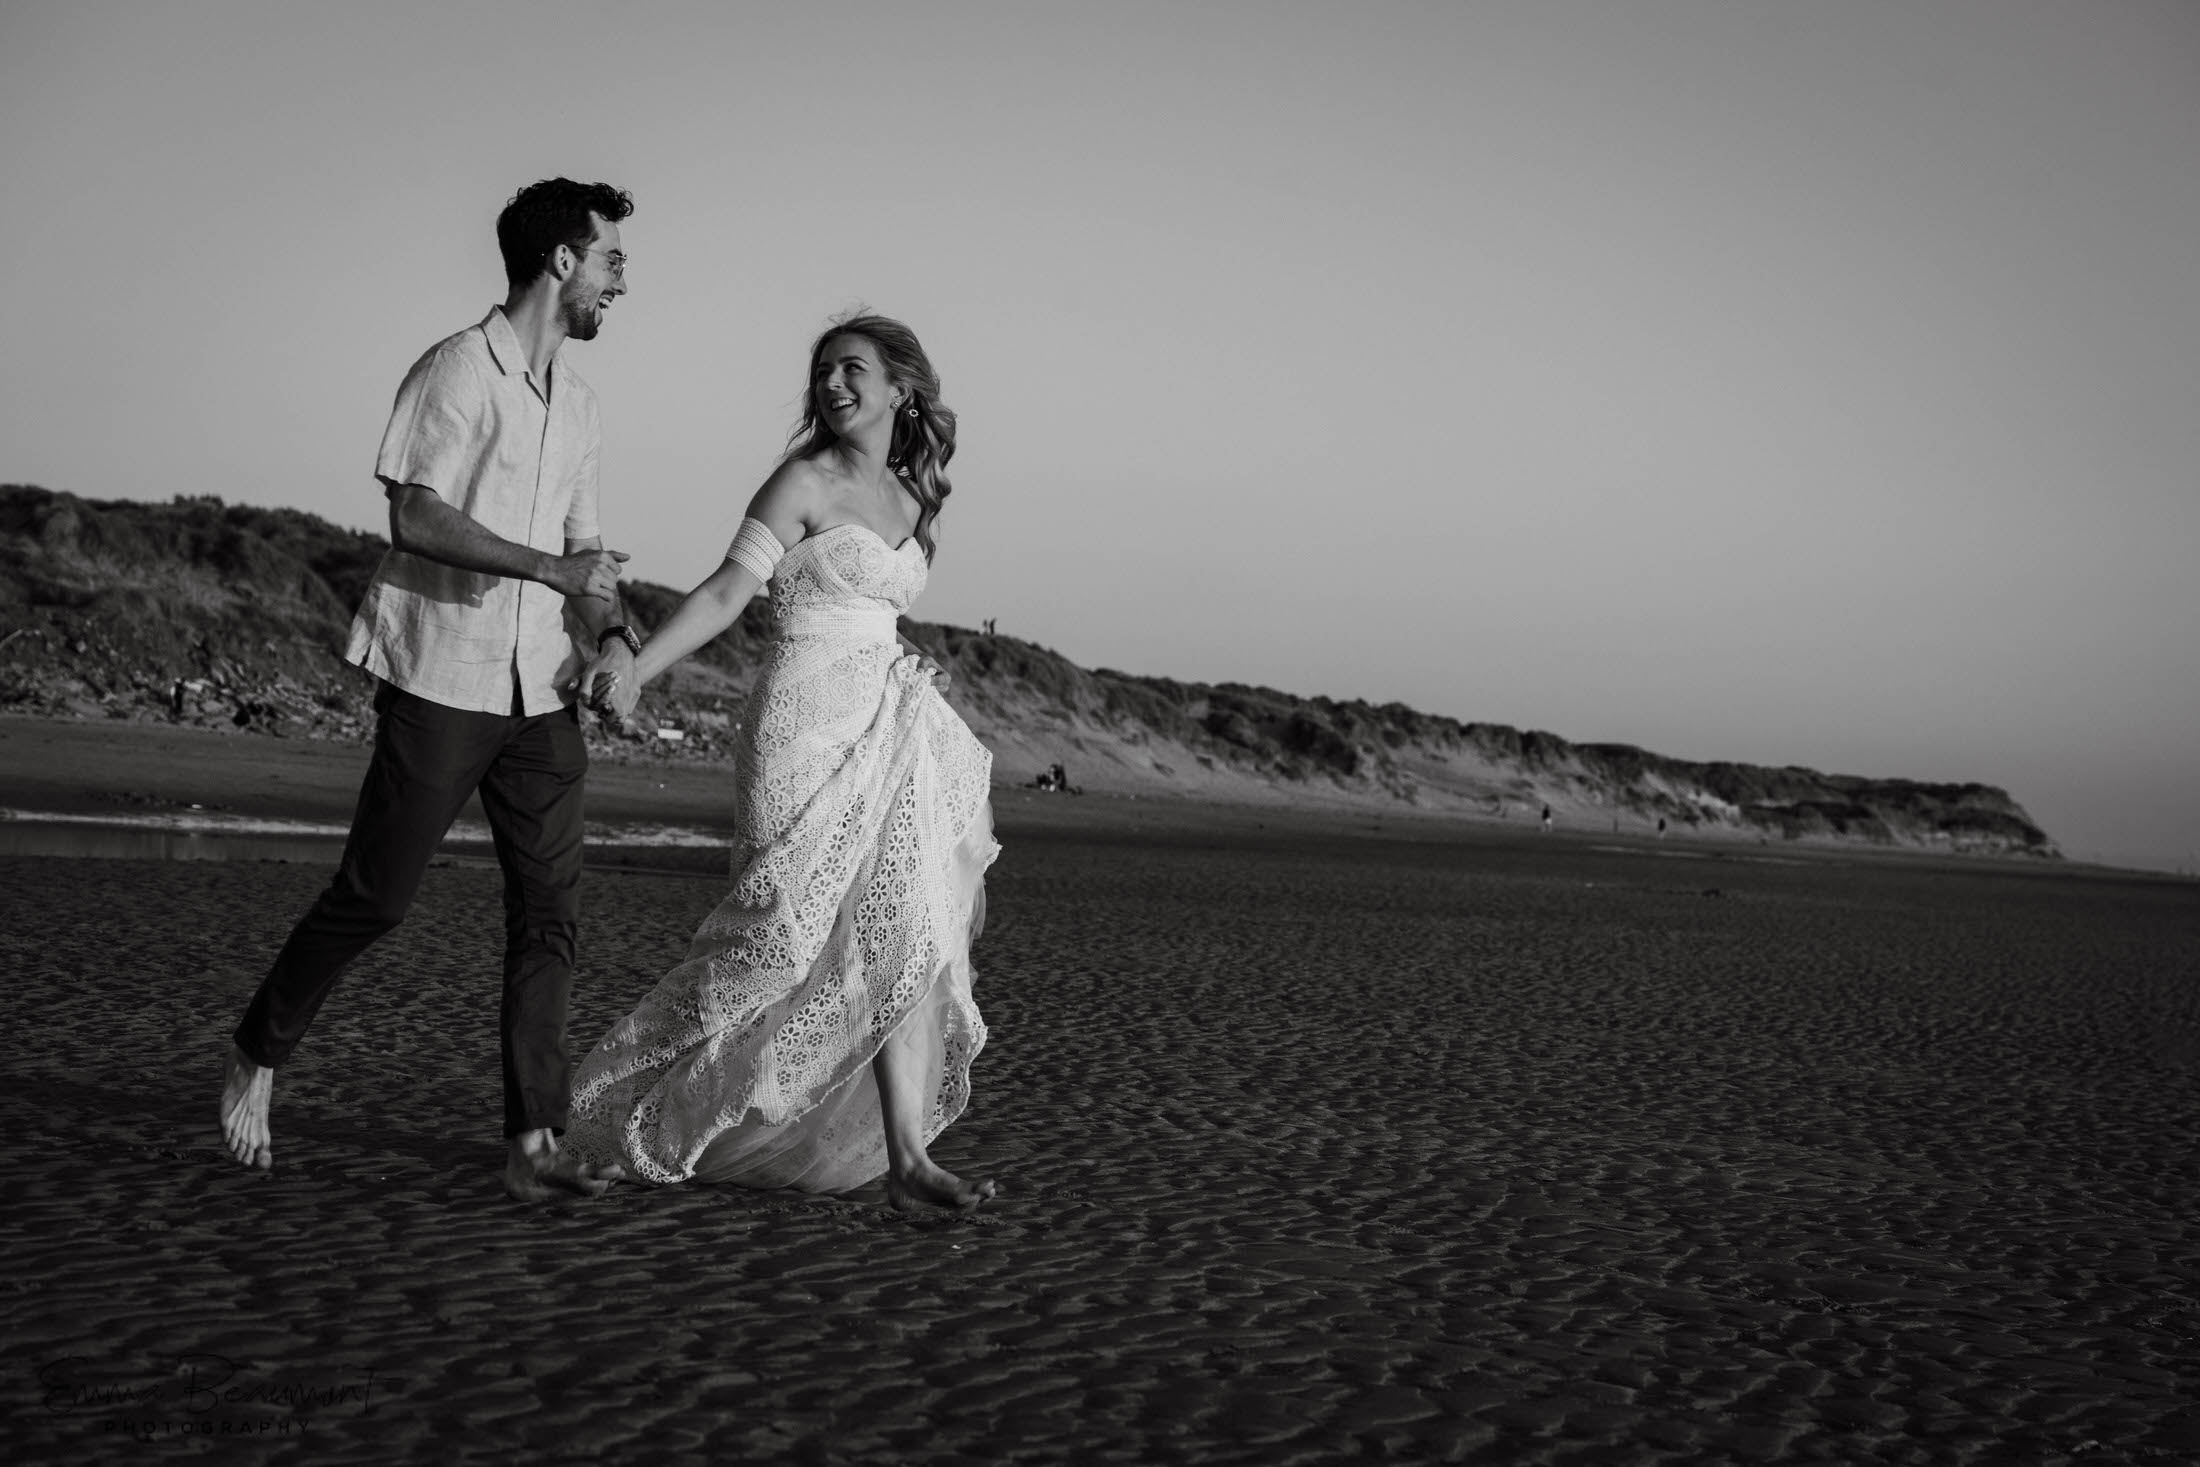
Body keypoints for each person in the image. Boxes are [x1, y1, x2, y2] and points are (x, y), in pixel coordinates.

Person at [218, 179, 639, 1201]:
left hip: (541, 695)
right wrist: (549, 570)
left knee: (549, 912)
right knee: (376, 896)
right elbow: (414, 514)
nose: (622, 282)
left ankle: (531, 1143)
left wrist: (615, 636)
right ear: (562, 260)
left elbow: (588, 558)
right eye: (612, 259)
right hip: (442, 673)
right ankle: (258, 1048)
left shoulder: (582, 406)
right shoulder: (455, 369)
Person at [565, 314, 999, 1211]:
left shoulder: (914, 498)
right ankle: (624, 1116)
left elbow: (873, 609)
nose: (833, 384)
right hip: (798, 729)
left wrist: (905, 658)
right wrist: (638, 667)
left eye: (852, 369)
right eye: (824, 370)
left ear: (901, 388)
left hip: (885, 727)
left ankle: (909, 1160)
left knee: (905, 935)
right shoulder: (802, 479)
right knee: (776, 943)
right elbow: (729, 589)